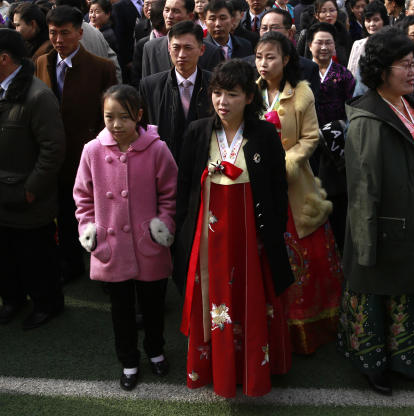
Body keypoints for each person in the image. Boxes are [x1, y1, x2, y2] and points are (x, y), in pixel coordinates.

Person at [340, 28, 414, 396]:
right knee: (374, 294)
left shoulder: (411, 101)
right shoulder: (369, 119)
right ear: (381, 70)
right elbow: (363, 189)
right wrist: (365, 243)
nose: (412, 70)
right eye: (404, 65)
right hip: (382, 227)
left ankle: (404, 359)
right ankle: (372, 365)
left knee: (404, 293)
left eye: (413, 62)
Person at [174, 60, 293, 397]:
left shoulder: (266, 135)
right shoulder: (198, 131)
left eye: (232, 94)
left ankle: (251, 368)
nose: (222, 101)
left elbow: (278, 188)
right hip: (208, 239)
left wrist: (273, 229)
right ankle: (213, 367)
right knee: (213, 300)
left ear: (249, 97)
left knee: (252, 299)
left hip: (251, 239)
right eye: (217, 93)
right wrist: (182, 229)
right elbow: (184, 187)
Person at [74, 85, 178, 390]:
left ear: (139, 116)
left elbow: (169, 194)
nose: (116, 124)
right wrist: (88, 229)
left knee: (154, 304)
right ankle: (129, 360)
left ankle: (155, 350)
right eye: (109, 117)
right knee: (120, 309)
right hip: (112, 244)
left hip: (149, 243)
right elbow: (83, 197)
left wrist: (163, 225)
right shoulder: (92, 150)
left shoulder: (157, 149)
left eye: (124, 117)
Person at [255, 32, 342, 354]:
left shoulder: (302, 93)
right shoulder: (251, 92)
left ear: (287, 59)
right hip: (259, 184)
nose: (264, 64)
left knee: (308, 256)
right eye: (259, 57)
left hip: (295, 185)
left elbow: (310, 138)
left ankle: (308, 327)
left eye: (271, 57)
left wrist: (285, 164)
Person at [0, 29, 66, 329]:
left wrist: (32, 189)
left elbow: (53, 150)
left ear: (4, 58)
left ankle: (47, 304)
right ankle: (13, 299)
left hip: (26, 195)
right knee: (5, 253)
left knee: (35, 255)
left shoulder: (38, 95)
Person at [35, 6, 118, 283]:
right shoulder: (41, 63)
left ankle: (106, 267)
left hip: (89, 155)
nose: (59, 40)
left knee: (99, 215)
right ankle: (70, 264)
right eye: (53, 33)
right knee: (63, 213)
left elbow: (109, 118)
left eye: (65, 33)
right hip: (54, 155)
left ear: (80, 34)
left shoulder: (101, 68)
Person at [139, 21, 213, 163]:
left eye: (188, 48)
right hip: (163, 164)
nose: (181, 54)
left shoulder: (215, 85)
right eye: (176, 48)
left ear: (202, 50)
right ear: (168, 48)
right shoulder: (150, 86)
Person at [347, 0, 388, 79]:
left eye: (376, 20)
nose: (372, 24)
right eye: (368, 20)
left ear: (384, 21)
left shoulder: (391, 43)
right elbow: (351, 73)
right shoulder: (358, 44)